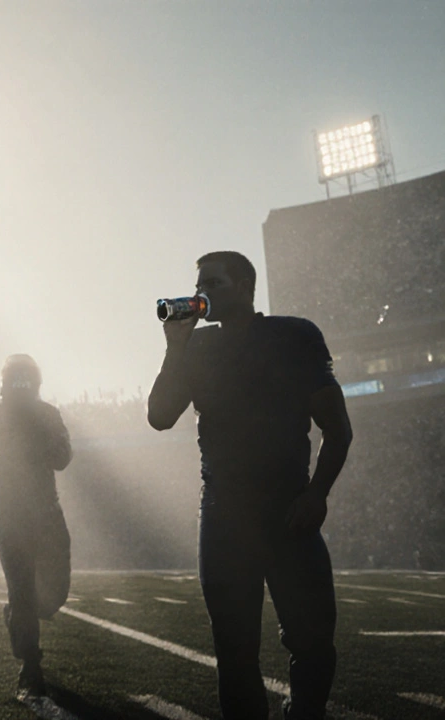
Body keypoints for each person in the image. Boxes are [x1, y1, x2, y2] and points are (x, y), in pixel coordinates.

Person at [148, 251, 353, 720]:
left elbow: (338, 427)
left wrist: (317, 493)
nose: (202, 294)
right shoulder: (197, 347)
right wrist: (175, 347)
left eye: (213, 284)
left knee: (314, 641)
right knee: (235, 652)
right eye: (199, 285)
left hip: (289, 510)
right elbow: (159, 416)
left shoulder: (294, 335)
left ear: (244, 285)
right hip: (224, 515)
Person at [0, 354, 72, 698]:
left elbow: (63, 458)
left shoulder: (47, 414)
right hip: (10, 514)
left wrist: (39, 432)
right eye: (17, 380)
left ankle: (18, 618)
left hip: (46, 512)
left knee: (54, 593)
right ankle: (30, 663)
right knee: (22, 590)